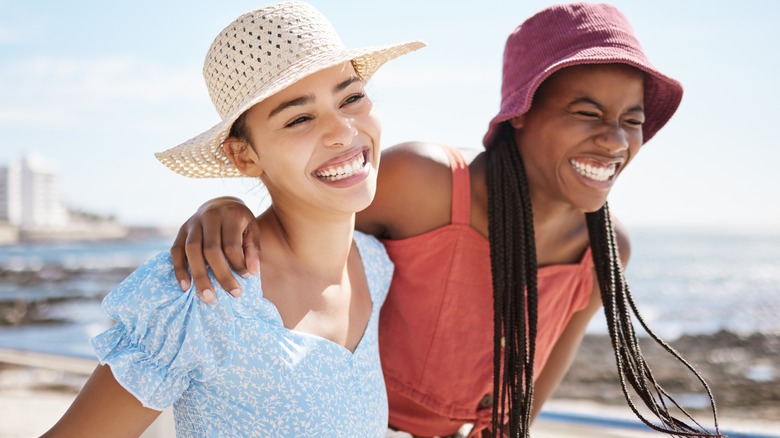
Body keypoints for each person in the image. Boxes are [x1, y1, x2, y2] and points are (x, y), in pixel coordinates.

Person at [170, 3, 724, 438]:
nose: (615, 138)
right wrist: (227, 207)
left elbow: (523, 405)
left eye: (633, 120)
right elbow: (306, 214)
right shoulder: (425, 183)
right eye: (587, 112)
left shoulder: (604, 249)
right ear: (521, 112)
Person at [42, 2, 424, 437]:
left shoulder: (377, 265)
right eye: (299, 118)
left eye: (352, 97)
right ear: (244, 155)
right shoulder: (202, 294)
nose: (342, 130)